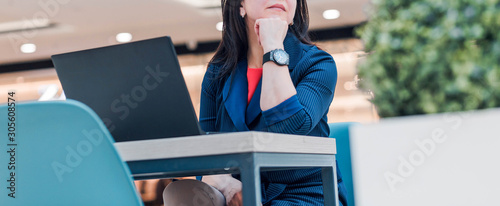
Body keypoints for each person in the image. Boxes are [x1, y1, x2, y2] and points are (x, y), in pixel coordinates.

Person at [163, 0, 348, 205]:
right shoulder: (218, 72)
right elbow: (205, 150)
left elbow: (288, 129)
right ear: (240, 6)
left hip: (304, 196)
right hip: (235, 196)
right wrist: (224, 184)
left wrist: (273, 48)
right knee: (179, 195)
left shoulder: (317, 63)